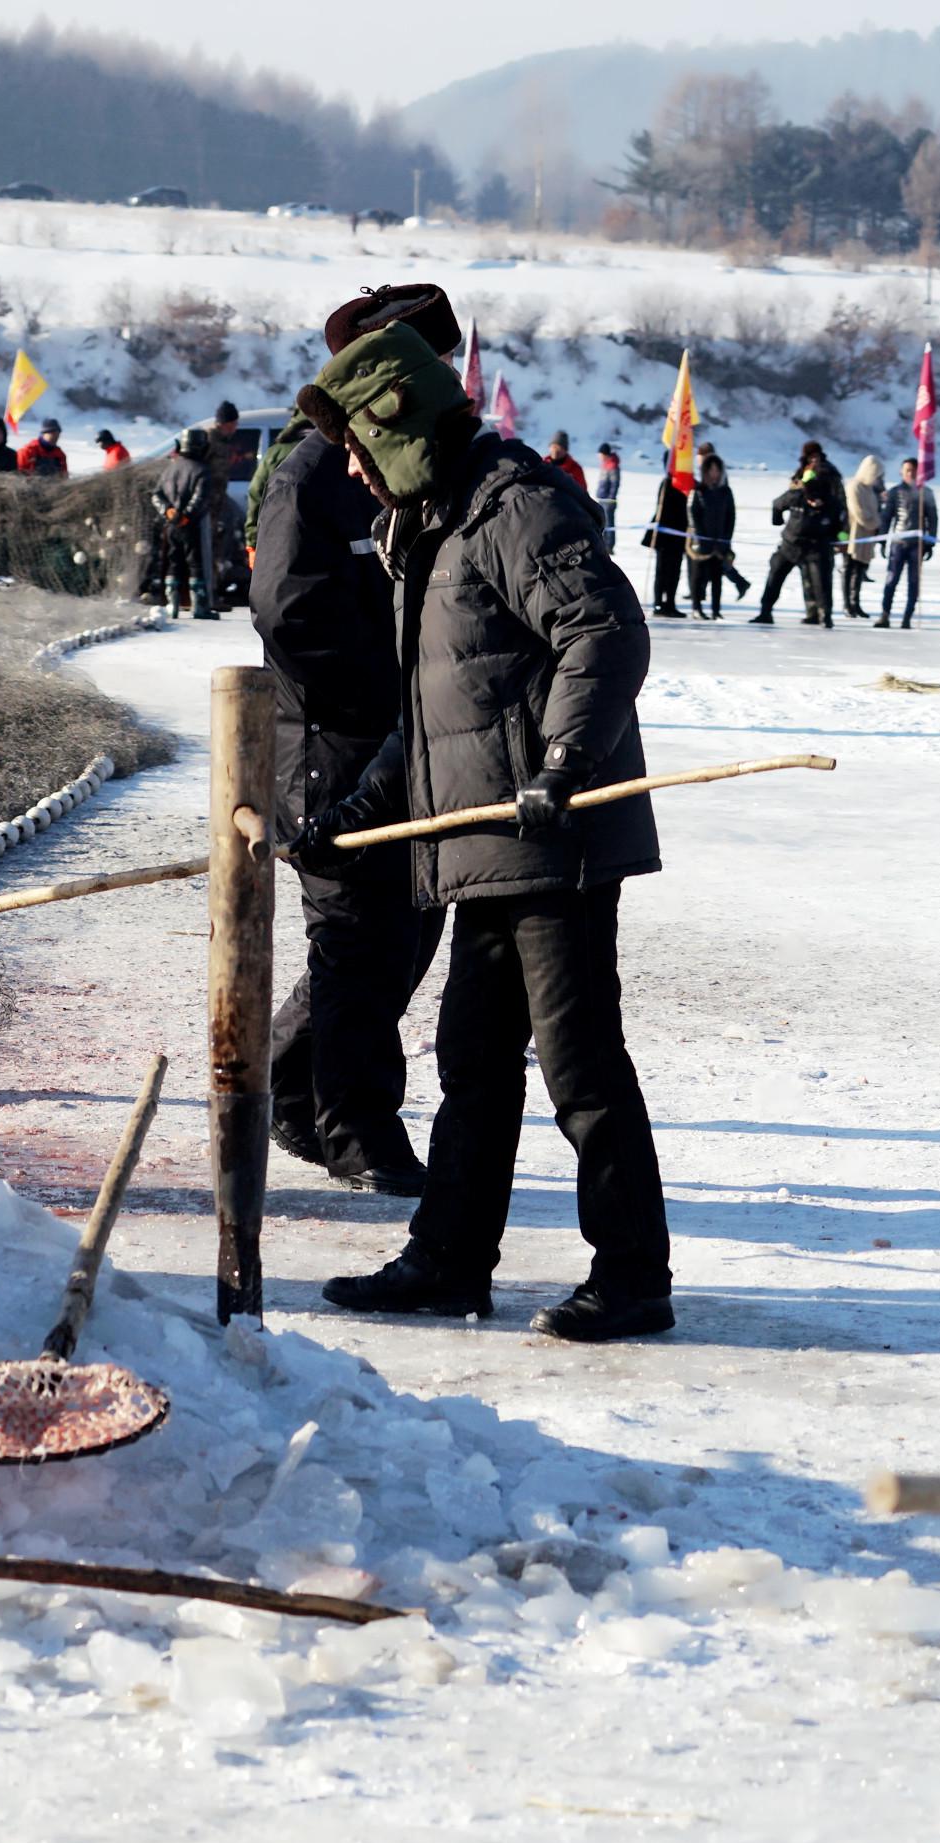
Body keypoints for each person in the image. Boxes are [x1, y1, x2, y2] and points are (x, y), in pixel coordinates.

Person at [292, 314, 672, 1341]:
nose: (357, 477)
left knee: (581, 1060)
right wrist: (347, 820)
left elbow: (605, 630)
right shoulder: (438, 527)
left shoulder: (515, 506)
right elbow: (436, 719)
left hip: (557, 837)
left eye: (363, 453)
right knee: (473, 1057)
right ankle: (451, 1258)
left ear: (400, 428)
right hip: (488, 845)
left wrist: (565, 762)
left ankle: (634, 1274)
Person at [257, 287, 452, 1195]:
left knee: (404, 937)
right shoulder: (310, 475)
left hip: (422, 735)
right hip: (335, 743)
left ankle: (290, 1090)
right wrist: (392, 685)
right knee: (359, 938)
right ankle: (357, 1128)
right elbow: (290, 614)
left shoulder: (430, 471)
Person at [753, 442, 839, 627]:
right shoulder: (796, 495)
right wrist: (778, 521)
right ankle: (765, 611)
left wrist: (837, 539)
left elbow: (839, 524)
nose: (815, 502)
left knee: (821, 582)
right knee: (775, 575)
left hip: (816, 547)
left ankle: (825, 616)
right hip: (790, 544)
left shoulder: (831, 502)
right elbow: (777, 504)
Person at [148, 428, 217, 618]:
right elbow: (200, 497)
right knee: (195, 563)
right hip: (191, 525)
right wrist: (186, 515)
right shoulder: (202, 470)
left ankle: (173, 604)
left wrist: (168, 511)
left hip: (171, 525)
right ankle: (199, 607)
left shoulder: (171, 468)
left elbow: (156, 494)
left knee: (173, 561)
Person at [876, 456, 933, 630]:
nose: (911, 474)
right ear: (902, 472)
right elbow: (887, 518)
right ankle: (885, 614)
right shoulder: (895, 492)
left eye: (914, 470)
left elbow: (933, 518)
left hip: (917, 544)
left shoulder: (926, 493)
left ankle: (907, 616)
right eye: (907, 470)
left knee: (914, 582)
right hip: (899, 542)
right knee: (891, 579)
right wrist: (883, 539)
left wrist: (931, 542)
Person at [685, 455, 735, 620]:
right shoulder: (698, 491)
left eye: (717, 470)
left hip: (720, 541)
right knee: (698, 577)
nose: (714, 473)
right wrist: (700, 538)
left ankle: (716, 610)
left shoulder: (726, 492)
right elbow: (693, 515)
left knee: (716, 578)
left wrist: (726, 539)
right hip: (701, 543)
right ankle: (696, 608)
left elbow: (731, 517)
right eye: (711, 470)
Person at [840, 452, 884, 621]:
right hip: (852, 534)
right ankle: (847, 604)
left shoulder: (869, 490)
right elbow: (859, 512)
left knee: (860, 569)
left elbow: (874, 511)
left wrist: (876, 524)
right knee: (849, 567)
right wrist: (874, 523)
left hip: (866, 535)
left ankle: (855, 602)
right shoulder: (854, 486)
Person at [644, 465, 689, 616]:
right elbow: (662, 508)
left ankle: (670, 602)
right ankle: (658, 604)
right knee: (661, 571)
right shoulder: (666, 483)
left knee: (675, 571)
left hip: (679, 534)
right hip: (664, 536)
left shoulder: (686, 484)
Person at [592, 442, 622, 535]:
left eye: (600, 455)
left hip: (608, 501)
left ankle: (609, 547)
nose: (599, 457)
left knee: (609, 525)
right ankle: (604, 546)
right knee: (602, 525)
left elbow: (615, 484)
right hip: (602, 499)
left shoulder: (613, 466)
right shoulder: (605, 465)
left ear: (605, 454)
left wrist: (610, 498)